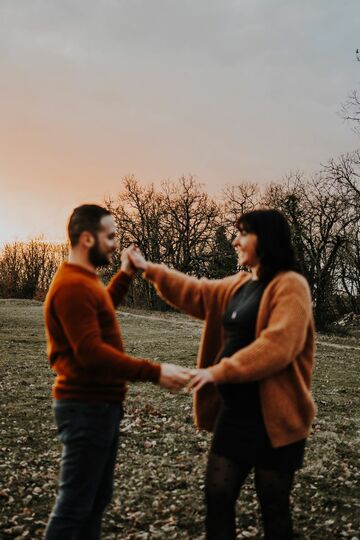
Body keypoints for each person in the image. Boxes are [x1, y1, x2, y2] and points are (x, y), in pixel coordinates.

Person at [125, 208, 316, 540]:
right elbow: (195, 291)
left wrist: (219, 372)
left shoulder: (291, 285)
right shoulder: (240, 285)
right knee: (218, 497)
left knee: (273, 506)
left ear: (266, 239)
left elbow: (278, 345)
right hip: (236, 415)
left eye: (243, 233)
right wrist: (148, 269)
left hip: (276, 419)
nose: (235, 240)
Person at [44, 204, 190, 540]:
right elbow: (92, 353)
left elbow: (101, 312)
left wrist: (125, 274)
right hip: (85, 408)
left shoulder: (85, 280)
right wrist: (155, 372)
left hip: (99, 406)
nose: (113, 243)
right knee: (74, 508)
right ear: (86, 238)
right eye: (109, 237)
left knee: (94, 502)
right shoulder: (72, 286)